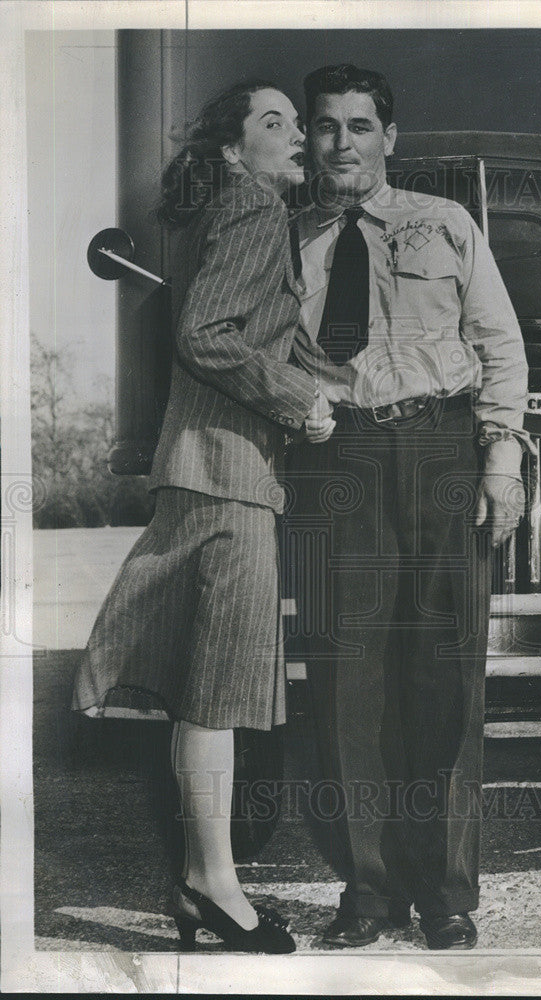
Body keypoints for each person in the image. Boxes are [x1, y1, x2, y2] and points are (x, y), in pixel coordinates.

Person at [72, 78, 336, 953]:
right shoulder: (257, 210)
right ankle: (215, 886)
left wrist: (327, 383)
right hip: (228, 476)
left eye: (298, 122)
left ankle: (201, 880)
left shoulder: (222, 211)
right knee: (219, 691)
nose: (298, 134)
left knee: (205, 689)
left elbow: (235, 333)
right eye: (276, 123)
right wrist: (298, 399)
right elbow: (208, 337)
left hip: (206, 470)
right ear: (234, 149)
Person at [287, 63, 528, 950]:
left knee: (445, 679)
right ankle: (368, 890)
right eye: (325, 126)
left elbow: (499, 345)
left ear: (390, 137)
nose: (341, 142)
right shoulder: (286, 238)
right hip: (336, 457)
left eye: (359, 125)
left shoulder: (446, 224)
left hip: (440, 451)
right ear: (309, 140)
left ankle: (447, 894)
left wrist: (501, 460)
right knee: (345, 682)